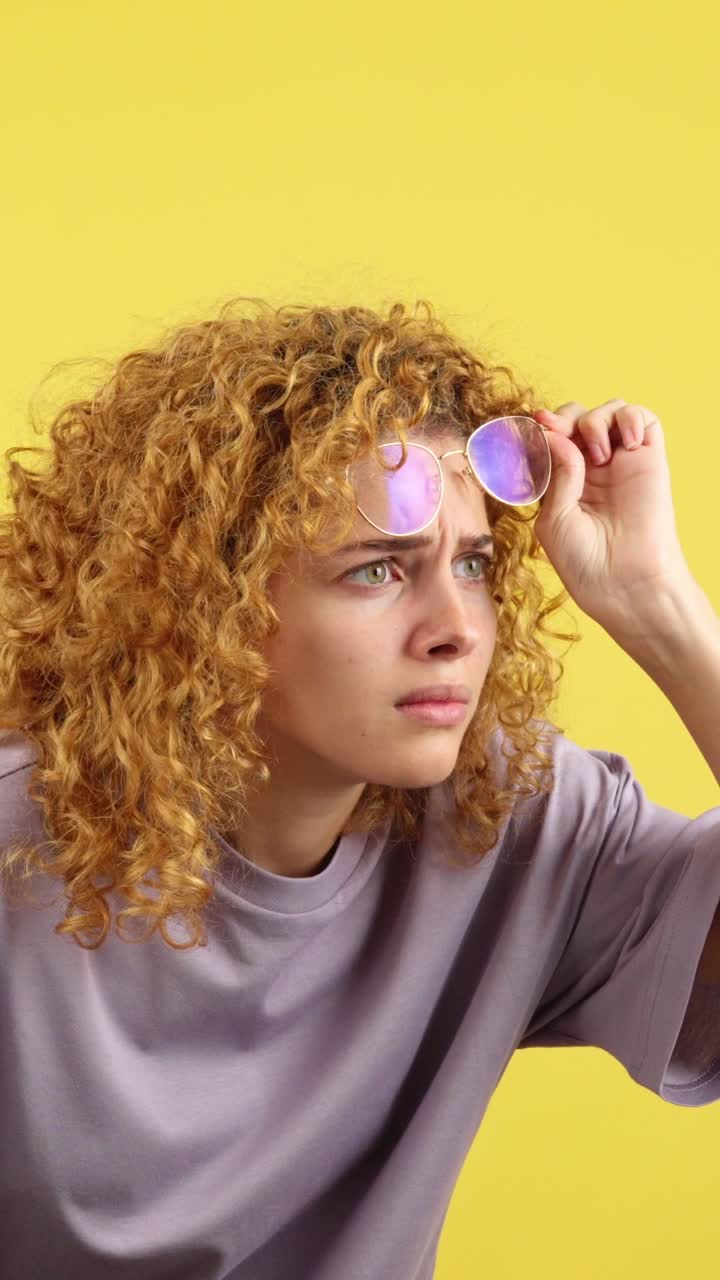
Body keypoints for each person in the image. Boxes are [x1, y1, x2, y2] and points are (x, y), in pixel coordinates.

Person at [0, 296, 719, 1280]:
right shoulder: (19, 843)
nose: (456, 627)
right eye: (379, 568)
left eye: (472, 563)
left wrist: (666, 612)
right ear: (209, 605)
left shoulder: (509, 818)